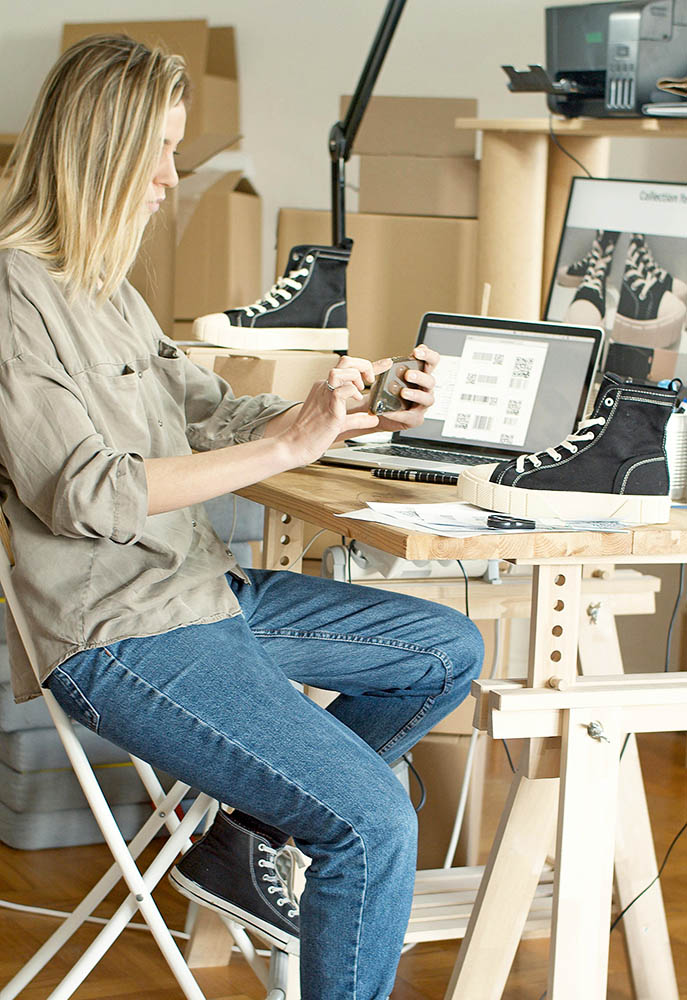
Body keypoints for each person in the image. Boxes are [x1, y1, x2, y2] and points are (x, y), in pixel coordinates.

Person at [0, 34, 483, 1000]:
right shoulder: (14, 295)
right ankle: (279, 832)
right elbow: (86, 493)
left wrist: (355, 403)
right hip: (121, 636)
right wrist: (283, 449)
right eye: (158, 156)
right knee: (372, 823)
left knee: (445, 649)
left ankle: (242, 838)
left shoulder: (107, 293)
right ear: (98, 153)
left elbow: (212, 408)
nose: (169, 181)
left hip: (199, 596)